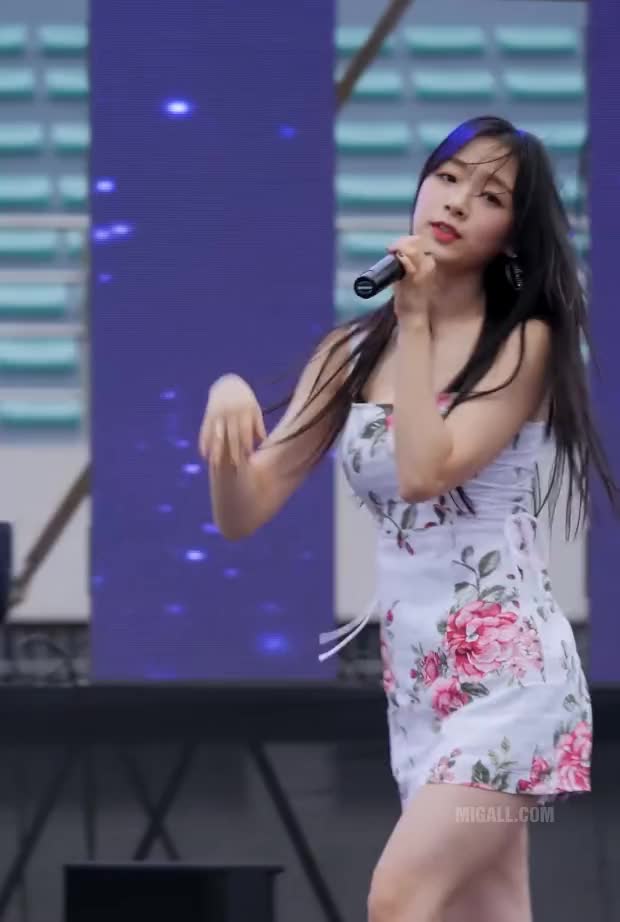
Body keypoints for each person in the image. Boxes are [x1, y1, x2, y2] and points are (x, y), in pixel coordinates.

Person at [198, 115, 618, 922]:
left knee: (400, 899)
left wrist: (418, 323)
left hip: (512, 678)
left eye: (489, 195)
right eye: (448, 177)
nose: (456, 201)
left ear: (511, 233)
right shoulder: (348, 355)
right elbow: (246, 511)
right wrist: (226, 417)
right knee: (487, 909)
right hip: (420, 682)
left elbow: (427, 472)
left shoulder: (521, 345)